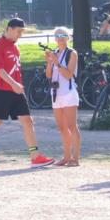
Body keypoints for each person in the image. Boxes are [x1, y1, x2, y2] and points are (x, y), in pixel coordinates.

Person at [0, 18, 55, 169]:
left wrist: (17, 85)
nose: (20, 35)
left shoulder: (15, 47)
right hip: (2, 91)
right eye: (18, 31)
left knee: (28, 121)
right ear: (9, 29)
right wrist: (14, 84)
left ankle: (35, 156)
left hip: (16, 91)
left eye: (22, 32)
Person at [44, 27, 81, 166]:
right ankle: (66, 157)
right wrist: (49, 61)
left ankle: (75, 158)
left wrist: (57, 62)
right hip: (56, 94)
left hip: (69, 93)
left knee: (72, 126)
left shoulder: (72, 53)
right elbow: (48, 75)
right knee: (62, 127)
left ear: (67, 37)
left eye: (63, 35)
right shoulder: (54, 53)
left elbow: (69, 74)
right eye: (57, 35)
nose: (60, 37)